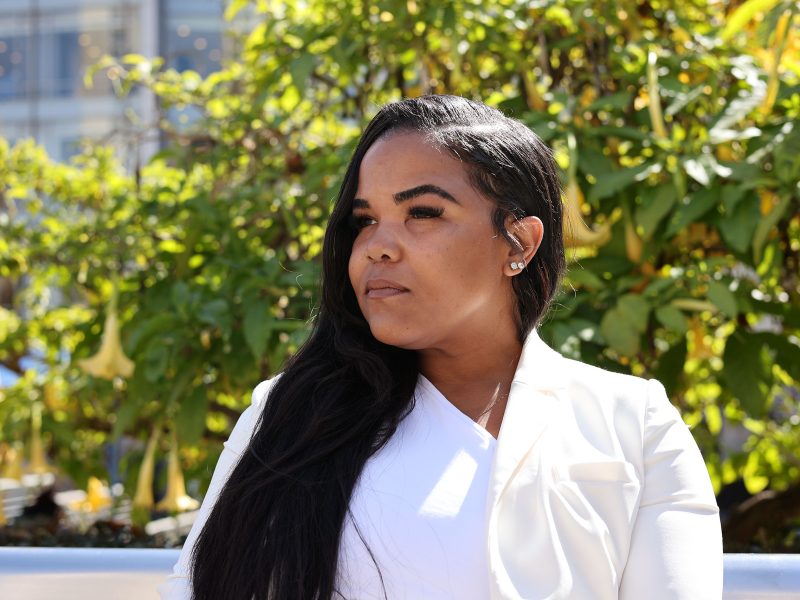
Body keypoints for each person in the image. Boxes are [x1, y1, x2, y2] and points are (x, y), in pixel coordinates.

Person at [158, 95, 722, 600]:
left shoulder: (635, 425)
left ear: (519, 243)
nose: (378, 246)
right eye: (364, 220)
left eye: (423, 213)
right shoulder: (287, 414)